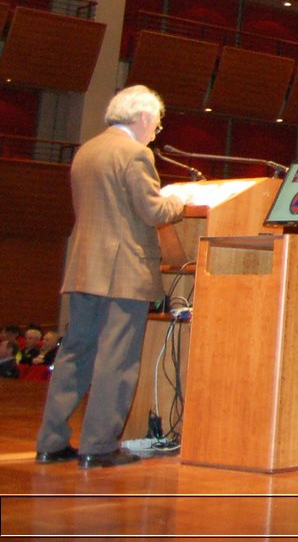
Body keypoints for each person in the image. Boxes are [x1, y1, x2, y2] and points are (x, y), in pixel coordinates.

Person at [36, 86, 186, 469]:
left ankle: (50, 442)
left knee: (75, 353)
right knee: (117, 359)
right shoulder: (136, 154)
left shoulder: (87, 150)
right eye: (156, 122)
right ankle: (99, 445)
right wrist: (178, 202)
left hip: (86, 267)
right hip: (123, 272)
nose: (157, 129)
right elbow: (153, 211)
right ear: (141, 118)